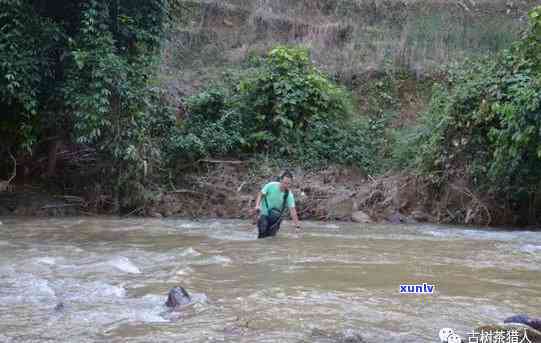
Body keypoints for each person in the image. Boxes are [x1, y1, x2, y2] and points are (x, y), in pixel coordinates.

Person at [254, 170, 301, 238]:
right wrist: (257, 206)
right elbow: (260, 195)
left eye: (288, 183)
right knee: (262, 232)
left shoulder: (289, 194)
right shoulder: (271, 185)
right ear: (280, 180)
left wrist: (297, 226)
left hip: (275, 218)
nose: (286, 185)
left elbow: (292, 211)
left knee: (271, 238)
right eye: (284, 183)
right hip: (264, 213)